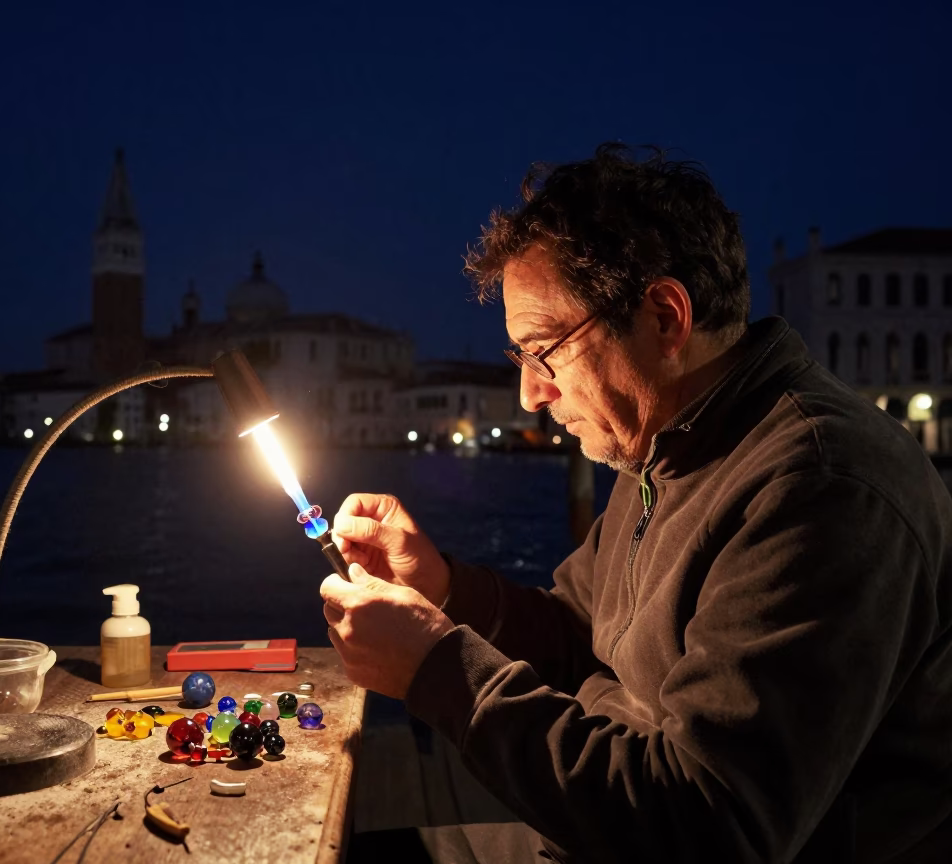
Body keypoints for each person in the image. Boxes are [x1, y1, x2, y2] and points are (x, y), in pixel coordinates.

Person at [321, 144, 952, 862]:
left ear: (663, 318)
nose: (531, 395)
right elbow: (574, 634)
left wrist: (438, 669)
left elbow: (709, 825)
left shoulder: (822, 490)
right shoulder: (664, 445)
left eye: (543, 350)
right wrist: (442, 588)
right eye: (519, 360)